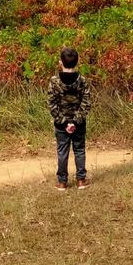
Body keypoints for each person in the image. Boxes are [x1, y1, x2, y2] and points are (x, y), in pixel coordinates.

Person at [47, 46, 92, 190]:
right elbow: (86, 103)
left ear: (61, 62)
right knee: (79, 150)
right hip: (79, 124)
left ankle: (62, 182)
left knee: (62, 151)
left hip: (61, 125)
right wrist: (75, 121)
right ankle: (81, 180)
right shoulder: (82, 81)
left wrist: (65, 122)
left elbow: (51, 105)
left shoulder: (54, 81)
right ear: (77, 62)